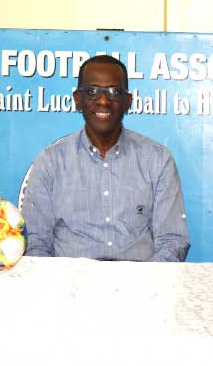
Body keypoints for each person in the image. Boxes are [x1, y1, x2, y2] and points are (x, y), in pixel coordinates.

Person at [19, 55, 189, 261]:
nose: (103, 100)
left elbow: (173, 240)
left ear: (128, 101)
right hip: (69, 286)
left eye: (114, 92)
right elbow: (36, 243)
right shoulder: (51, 161)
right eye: (92, 91)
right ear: (77, 100)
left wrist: (146, 286)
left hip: (139, 286)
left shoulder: (157, 159)